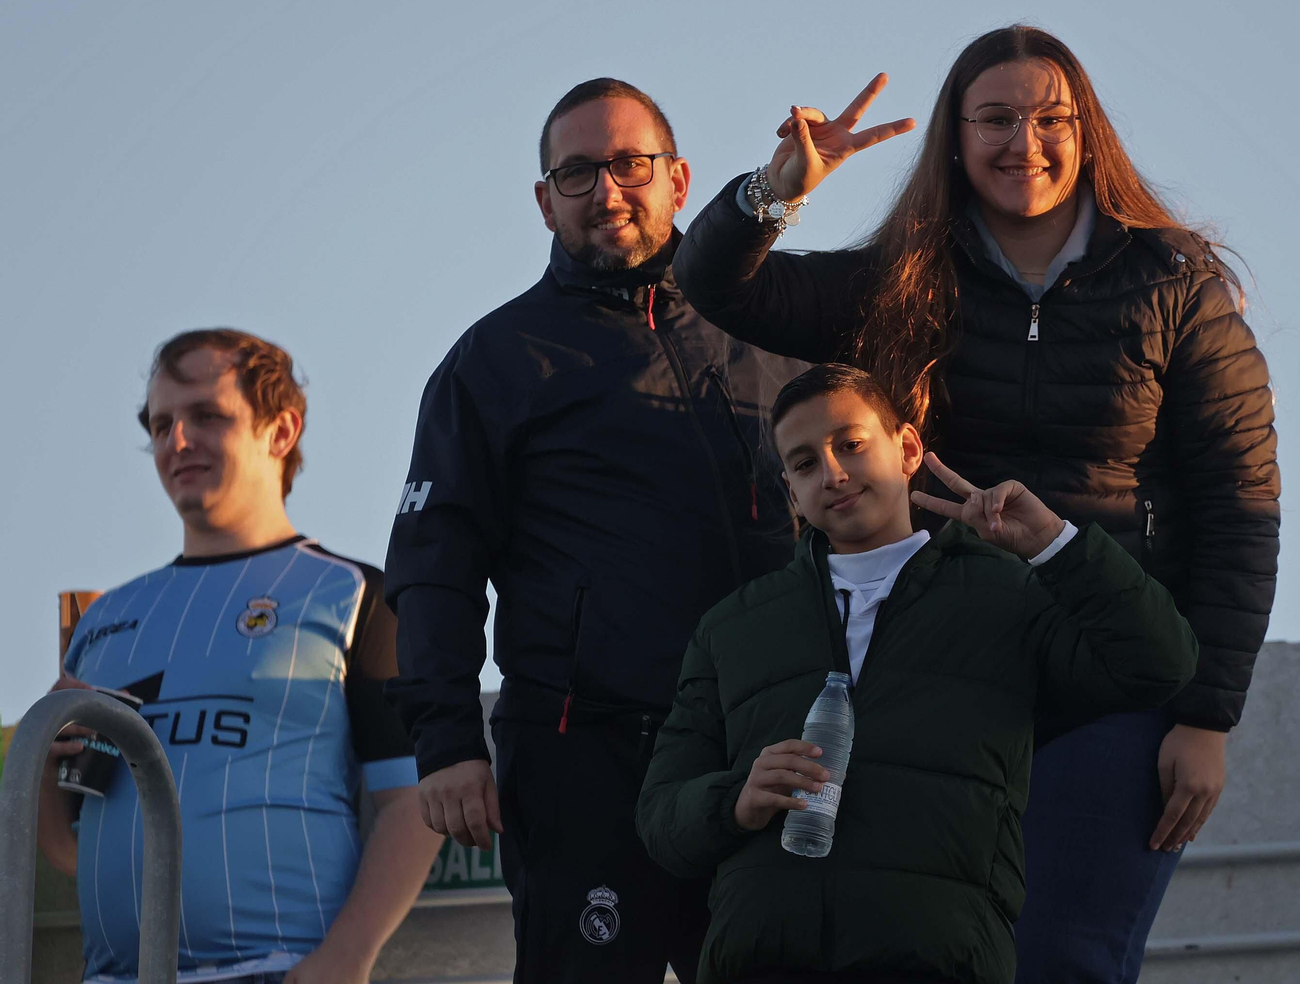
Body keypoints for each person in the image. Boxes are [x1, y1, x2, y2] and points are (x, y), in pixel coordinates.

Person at [671, 27, 1282, 982]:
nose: (1023, 143)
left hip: (1111, 679)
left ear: (1088, 134)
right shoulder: (901, 275)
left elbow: (1241, 505)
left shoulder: (1175, 284)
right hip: (949, 672)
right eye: (994, 120)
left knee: (1067, 960)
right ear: (955, 139)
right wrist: (779, 187)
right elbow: (712, 282)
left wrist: (1209, 717)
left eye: (1050, 119)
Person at [383, 78, 807, 984]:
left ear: (680, 179)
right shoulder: (494, 361)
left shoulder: (773, 336)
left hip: (768, 744)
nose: (607, 190)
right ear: (544, 200)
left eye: (630, 163)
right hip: (587, 759)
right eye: (577, 172)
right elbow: (433, 567)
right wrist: (450, 742)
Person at [636, 363, 1198, 984]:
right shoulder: (733, 627)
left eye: (851, 445)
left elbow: (1159, 663)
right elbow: (662, 818)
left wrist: (1054, 545)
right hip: (762, 961)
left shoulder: (1004, 594)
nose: (833, 474)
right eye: (804, 464)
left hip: (939, 959)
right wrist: (735, 801)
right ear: (791, 493)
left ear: (906, 449)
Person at [37, 329, 440, 984]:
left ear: (281, 430)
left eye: (206, 416)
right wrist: (44, 772)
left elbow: (413, 800)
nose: (178, 441)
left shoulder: (358, 593)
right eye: (162, 422)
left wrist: (346, 957)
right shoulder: (105, 621)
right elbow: (73, 847)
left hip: (278, 967)